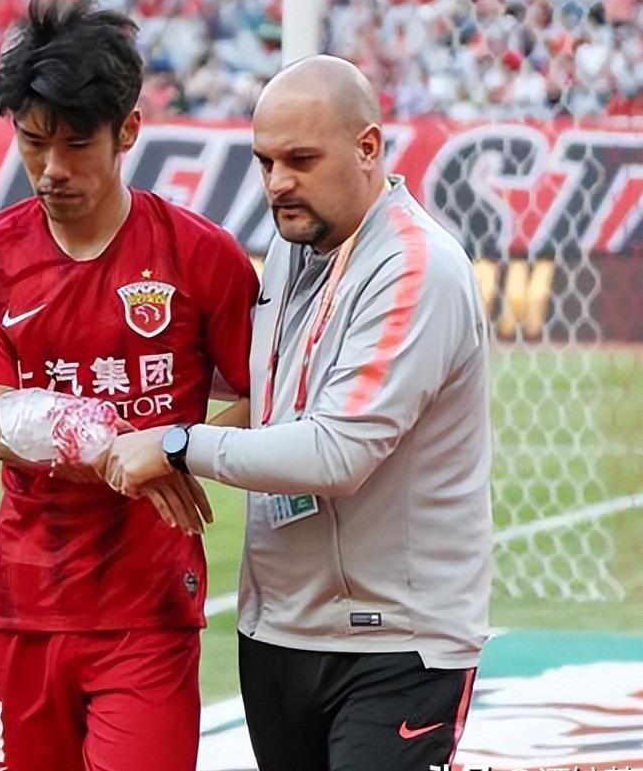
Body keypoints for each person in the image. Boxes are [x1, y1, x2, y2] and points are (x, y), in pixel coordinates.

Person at [105, 55, 492, 771]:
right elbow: (270, 396)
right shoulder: (293, 250)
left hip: (397, 645)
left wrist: (179, 444)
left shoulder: (417, 267)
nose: (277, 182)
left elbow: (336, 452)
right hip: (279, 631)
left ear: (367, 147)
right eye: (266, 162)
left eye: (301, 160)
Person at [0, 0, 258, 771]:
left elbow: (268, 396)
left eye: (76, 143)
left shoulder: (201, 255)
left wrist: (178, 447)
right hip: (23, 604)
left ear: (127, 131)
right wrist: (112, 440)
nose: (52, 169)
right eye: (32, 142)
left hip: (148, 609)